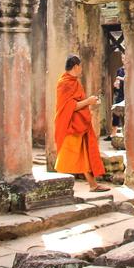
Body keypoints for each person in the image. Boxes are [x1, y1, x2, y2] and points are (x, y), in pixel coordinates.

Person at [54, 54, 109, 191]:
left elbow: (78, 104)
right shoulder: (64, 83)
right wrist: (88, 101)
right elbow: (69, 107)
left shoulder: (75, 82)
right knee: (66, 156)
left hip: (80, 124)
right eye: (81, 66)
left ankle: (93, 185)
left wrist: (90, 103)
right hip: (70, 125)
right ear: (76, 66)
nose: (82, 69)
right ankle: (56, 187)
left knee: (84, 154)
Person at [106, 65, 125, 140]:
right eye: (122, 58)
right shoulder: (119, 70)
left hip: (129, 94)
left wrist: (120, 78)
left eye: (124, 58)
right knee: (115, 113)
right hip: (120, 94)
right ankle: (113, 134)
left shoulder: (131, 68)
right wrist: (116, 84)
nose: (123, 60)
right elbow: (117, 82)